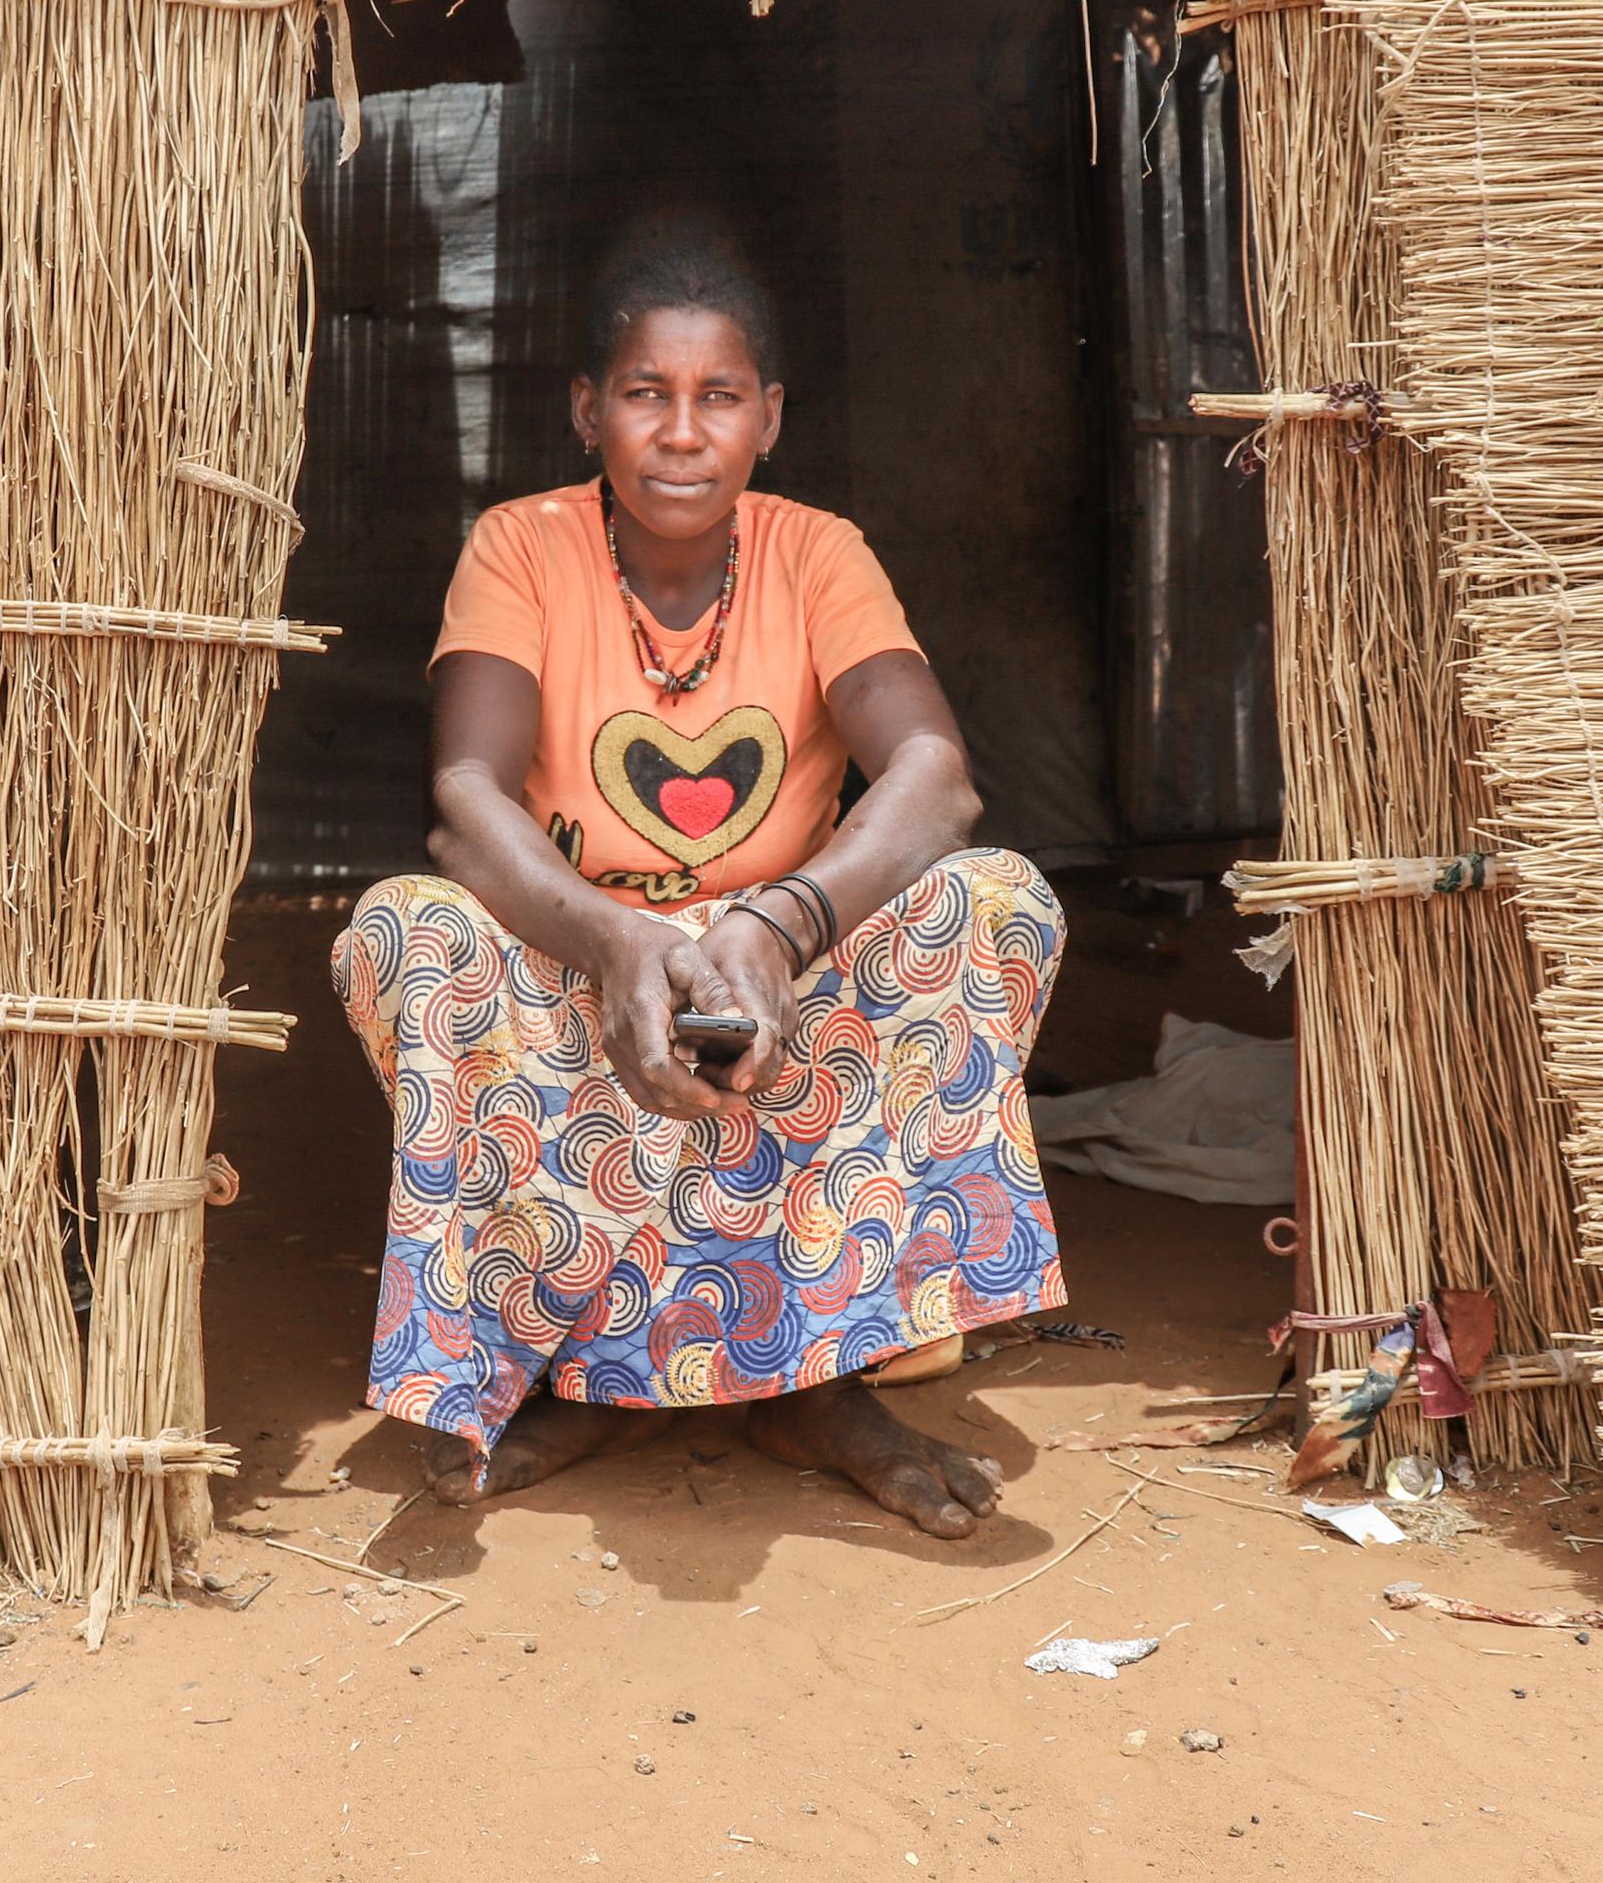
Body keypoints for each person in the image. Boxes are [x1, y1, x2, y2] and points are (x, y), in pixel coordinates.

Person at [333, 234, 1066, 1538]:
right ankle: (589, 1376)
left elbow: (936, 775)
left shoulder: (817, 554)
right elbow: (465, 798)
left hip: (778, 977)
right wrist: (618, 944)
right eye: (643, 393)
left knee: (996, 901)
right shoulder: (521, 548)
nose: (681, 433)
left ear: (769, 417)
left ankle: (817, 1379)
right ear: (586, 409)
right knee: (408, 933)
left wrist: (776, 929)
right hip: (581, 965)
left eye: (718, 396)